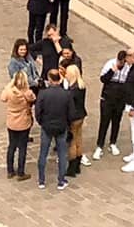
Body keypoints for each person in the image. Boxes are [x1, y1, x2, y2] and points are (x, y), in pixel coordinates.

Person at [34, 69, 75, 190]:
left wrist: (42, 122)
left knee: (43, 153)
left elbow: (38, 112)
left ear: (49, 79)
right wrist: (66, 123)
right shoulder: (66, 94)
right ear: (60, 79)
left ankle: (41, 180)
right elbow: (71, 113)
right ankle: (61, 180)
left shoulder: (43, 94)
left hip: (47, 127)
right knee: (62, 154)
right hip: (62, 127)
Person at [91, 49, 129, 160]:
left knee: (116, 121)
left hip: (120, 99)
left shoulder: (128, 68)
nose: (121, 64)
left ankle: (113, 142)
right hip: (108, 98)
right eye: (120, 61)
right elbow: (103, 79)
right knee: (104, 121)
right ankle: (100, 145)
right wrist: (112, 71)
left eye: (123, 62)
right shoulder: (110, 64)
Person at [1, 68, 35, 180]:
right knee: (22, 148)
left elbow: (3, 98)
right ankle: (21, 172)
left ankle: (10, 170)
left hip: (11, 122)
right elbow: (33, 99)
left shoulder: (9, 92)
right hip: (24, 122)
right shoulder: (27, 93)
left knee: (11, 146)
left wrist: (10, 84)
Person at [60, 43, 87, 177]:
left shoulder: (72, 91)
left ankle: (72, 167)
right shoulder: (81, 85)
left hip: (73, 117)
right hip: (81, 115)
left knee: (71, 142)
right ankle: (78, 165)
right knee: (79, 139)